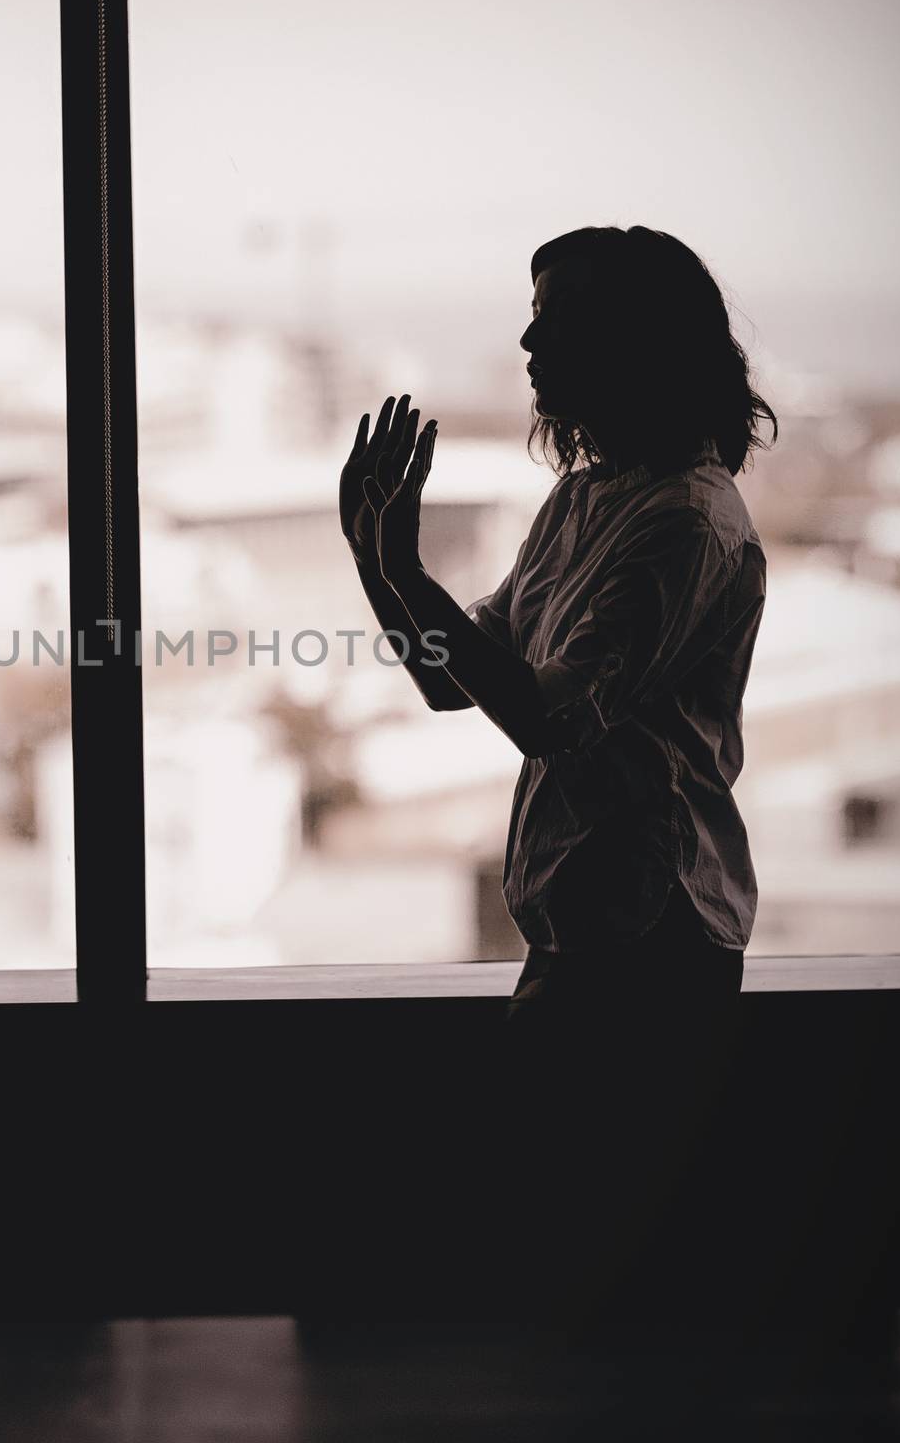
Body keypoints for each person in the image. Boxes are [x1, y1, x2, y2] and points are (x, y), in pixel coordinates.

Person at [340, 225, 776, 1312]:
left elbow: (544, 715)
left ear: (640, 340)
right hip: (590, 924)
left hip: (652, 933)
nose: (529, 336)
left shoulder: (683, 517)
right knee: (578, 1253)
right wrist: (373, 560)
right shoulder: (588, 498)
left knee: (596, 1268)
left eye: (562, 312)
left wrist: (400, 565)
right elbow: (456, 681)